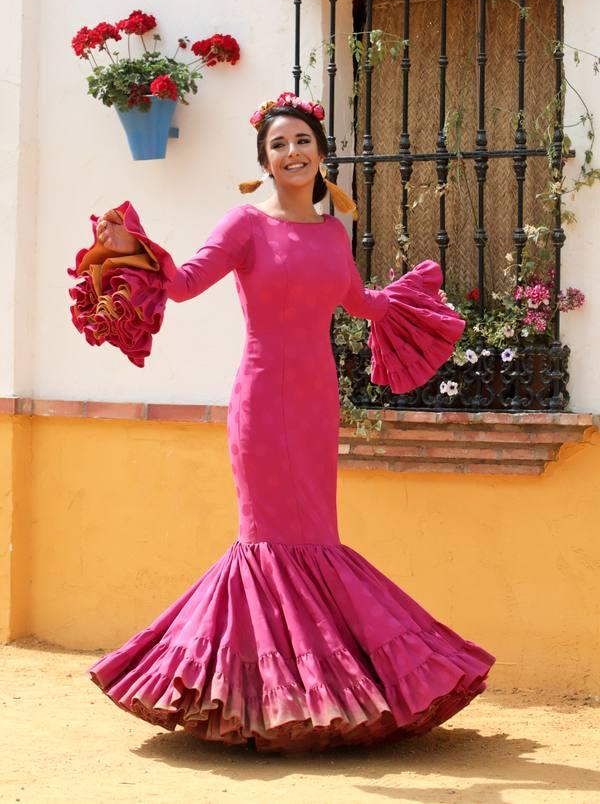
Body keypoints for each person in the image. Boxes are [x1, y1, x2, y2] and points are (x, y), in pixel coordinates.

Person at [81, 91, 495, 753]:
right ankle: (262, 701)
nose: (293, 151)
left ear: (321, 153)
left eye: (302, 141)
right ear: (265, 161)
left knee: (318, 538)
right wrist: (134, 246)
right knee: (268, 539)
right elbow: (184, 284)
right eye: (279, 144)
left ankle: (320, 694)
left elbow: (356, 301)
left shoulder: (333, 232)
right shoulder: (244, 224)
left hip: (315, 401)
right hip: (261, 399)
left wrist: (414, 304)